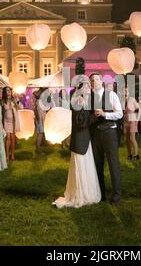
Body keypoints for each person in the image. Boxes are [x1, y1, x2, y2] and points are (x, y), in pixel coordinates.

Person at [53, 80, 101, 208]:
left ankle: (84, 192)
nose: (88, 89)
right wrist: (95, 116)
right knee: (80, 168)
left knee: (85, 166)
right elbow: (81, 123)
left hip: (84, 139)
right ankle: (80, 194)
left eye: (89, 87)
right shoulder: (78, 101)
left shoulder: (83, 101)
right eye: (85, 87)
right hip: (80, 140)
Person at [89, 73, 123, 205]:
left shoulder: (111, 95)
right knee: (97, 165)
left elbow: (119, 113)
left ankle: (116, 194)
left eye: (96, 79)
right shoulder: (89, 98)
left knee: (113, 164)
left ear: (101, 81)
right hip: (95, 135)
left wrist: (105, 114)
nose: (94, 82)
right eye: (91, 80)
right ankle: (100, 194)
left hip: (109, 133)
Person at [1, 87, 20, 163]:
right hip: (6, 121)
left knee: (13, 137)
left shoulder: (13, 100)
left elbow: (18, 107)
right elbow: (2, 111)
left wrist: (17, 101)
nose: (9, 91)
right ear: (5, 92)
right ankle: (6, 154)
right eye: (7, 90)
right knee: (7, 137)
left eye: (10, 90)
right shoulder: (3, 101)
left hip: (13, 121)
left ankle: (12, 153)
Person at [123, 85, 140, 161]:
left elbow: (139, 109)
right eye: (124, 91)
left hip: (132, 120)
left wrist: (137, 120)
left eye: (127, 91)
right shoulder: (122, 100)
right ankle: (129, 154)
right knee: (126, 139)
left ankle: (136, 155)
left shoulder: (132, 99)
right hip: (125, 121)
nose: (125, 92)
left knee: (132, 138)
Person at [33, 87, 48, 155]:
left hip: (41, 119)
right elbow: (39, 113)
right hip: (40, 120)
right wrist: (40, 121)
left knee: (40, 134)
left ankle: (38, 148)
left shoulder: (40, 101)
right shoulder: (39, 102)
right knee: (40, 134)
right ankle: (38, 149)